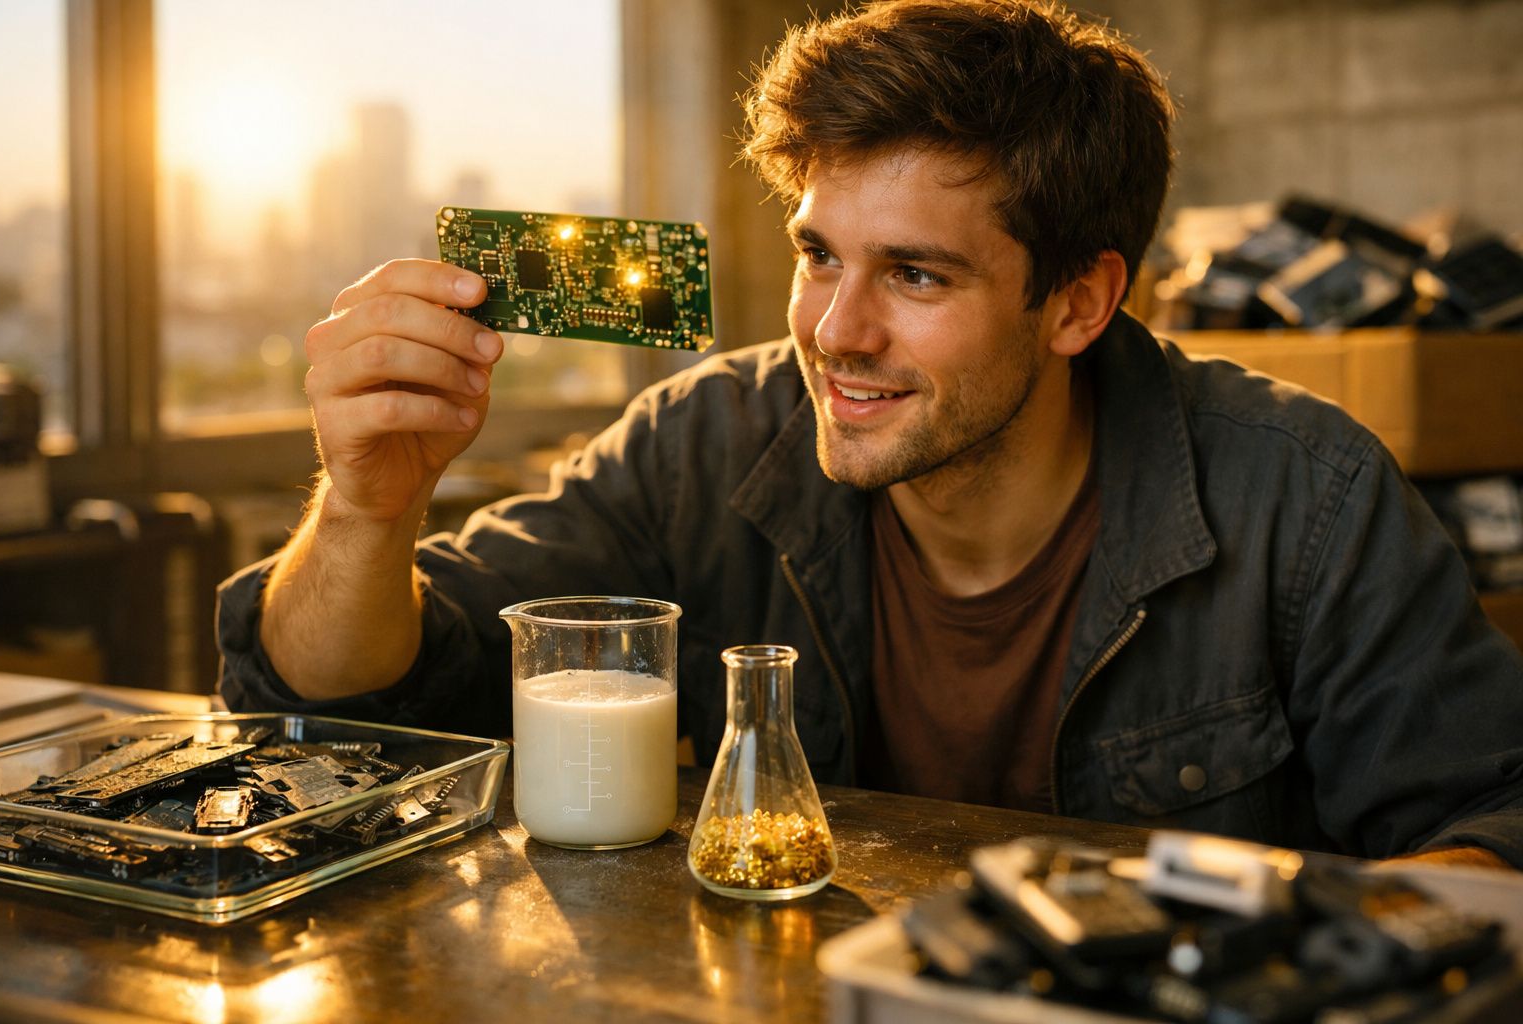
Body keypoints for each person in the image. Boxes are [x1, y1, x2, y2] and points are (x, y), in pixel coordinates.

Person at [218, 0, 1523, 868]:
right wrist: (367, 506)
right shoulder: (707, 440)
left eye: (916, 276)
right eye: (815, 255)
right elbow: (354, 710)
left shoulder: (1307, 495)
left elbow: (1490, 839)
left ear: (1078, 303)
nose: (835, 332)